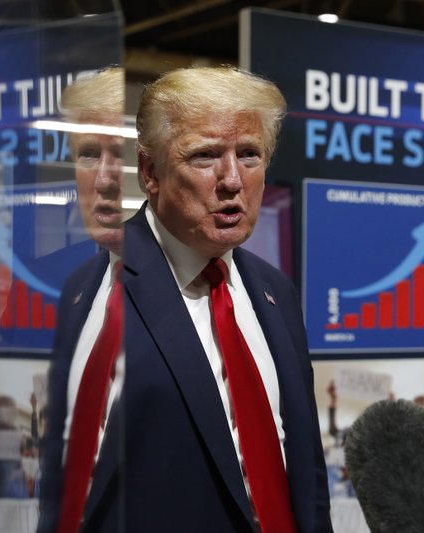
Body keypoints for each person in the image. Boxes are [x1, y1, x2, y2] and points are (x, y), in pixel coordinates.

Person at [114, 65, 332, 532]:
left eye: (250, 154)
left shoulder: (275, 291)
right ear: (150, 172)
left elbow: (306, 469)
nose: (233, 180)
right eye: (206, 156)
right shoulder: (85, 295)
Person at [36, 66, 126, 533]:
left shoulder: (207, 295)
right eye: (89, 154)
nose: (107, 178)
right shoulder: (77, 290)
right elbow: (62, 452)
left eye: (122, 154)